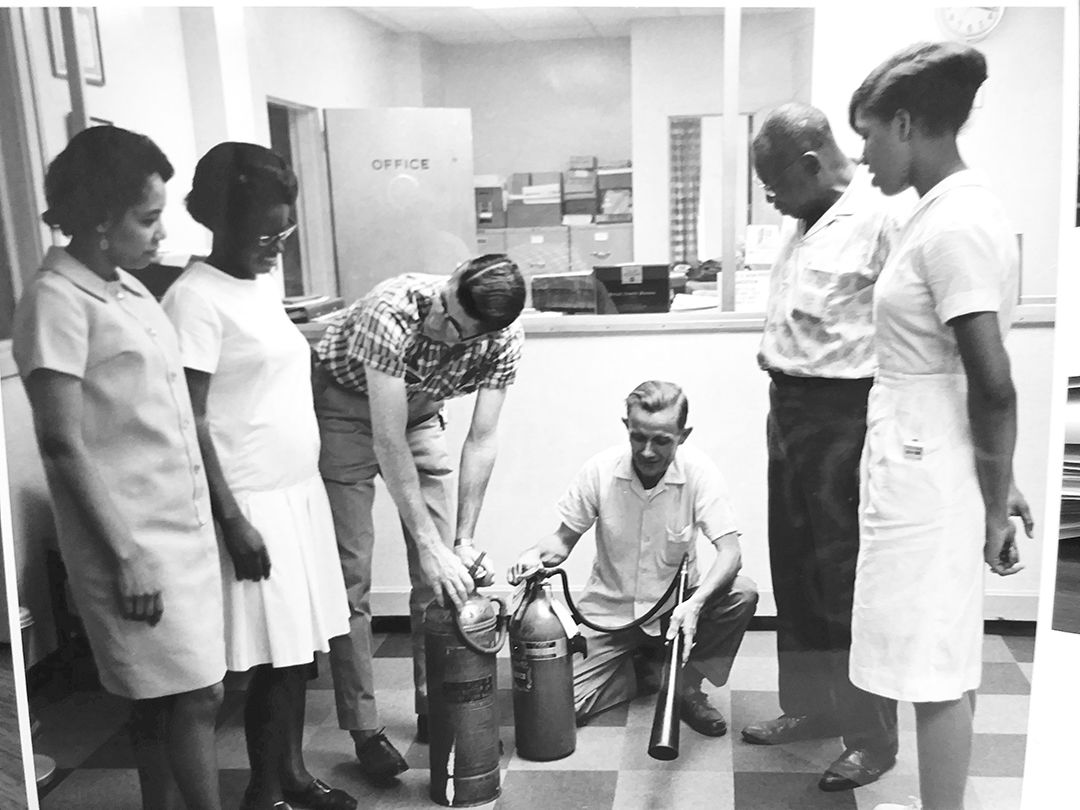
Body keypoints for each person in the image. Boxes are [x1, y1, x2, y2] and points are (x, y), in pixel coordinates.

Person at [12, 126, 226, 810]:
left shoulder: (126, 289)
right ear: (101, 220)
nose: (161, 232)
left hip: (178, 531)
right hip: (128, 540)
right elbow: (60, 442)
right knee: (198, 694)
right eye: (148, 217)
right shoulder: (55, 301)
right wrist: (126, 554)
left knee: (162, 704)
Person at [847, 42, 1034, 810]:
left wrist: (995, 502)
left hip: (930, 462)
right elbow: (970, 380)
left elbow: (993, 386)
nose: (861, 156)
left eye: (867, 135)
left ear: (904, 122)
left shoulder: (955, 224)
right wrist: (999, 477)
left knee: (934, 663)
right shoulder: (932, 215)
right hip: (919, 449)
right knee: (927, 653)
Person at [162, 143, 355, 810]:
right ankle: (264, 792)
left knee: (299, 653)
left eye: (284, 230)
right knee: (272, 663)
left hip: (296, 495)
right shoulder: (192, 300)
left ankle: (293, 777)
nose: (277, 244)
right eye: (265, 233)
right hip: (250, 504)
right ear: (222, 223)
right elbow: (190, 421)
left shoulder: (258, 284)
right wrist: (232, 520)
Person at [740, 102, 912, 792]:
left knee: (846, 585)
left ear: (809, 165)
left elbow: (913, 334)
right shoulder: (803, 223)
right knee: (798, 575)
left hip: (846, 416)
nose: (769, 196)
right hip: (788, 410)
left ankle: (872, 739)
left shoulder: (880, 221)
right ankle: (809, 708)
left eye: (772, 181)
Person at [313, 255, 525, 780]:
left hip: (421, 411)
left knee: (442, 576)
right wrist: (430, 543)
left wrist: (462, 539)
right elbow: (387, 439)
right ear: (449, 280)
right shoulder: (392, 309)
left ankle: (437, 705)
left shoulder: (502, 338)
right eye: (445, 310)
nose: (441, 328)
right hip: (347, 405)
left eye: (459, 331)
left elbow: (482, 438)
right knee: (352, 575)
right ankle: (364, 729)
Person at [508, 380, 758, 734]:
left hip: (675, 613)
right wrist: (534, 554)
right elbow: (562, 540)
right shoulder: (599, 470)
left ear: (683, 435)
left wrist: (696, 604)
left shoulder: (700, 472)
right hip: (610, 615)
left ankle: (687, 686)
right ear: (626, 426)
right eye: (639, 437)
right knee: (562, 705)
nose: (648, 451)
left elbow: (730, 552)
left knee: (742, 592)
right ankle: (646, 673)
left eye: (661, 441)